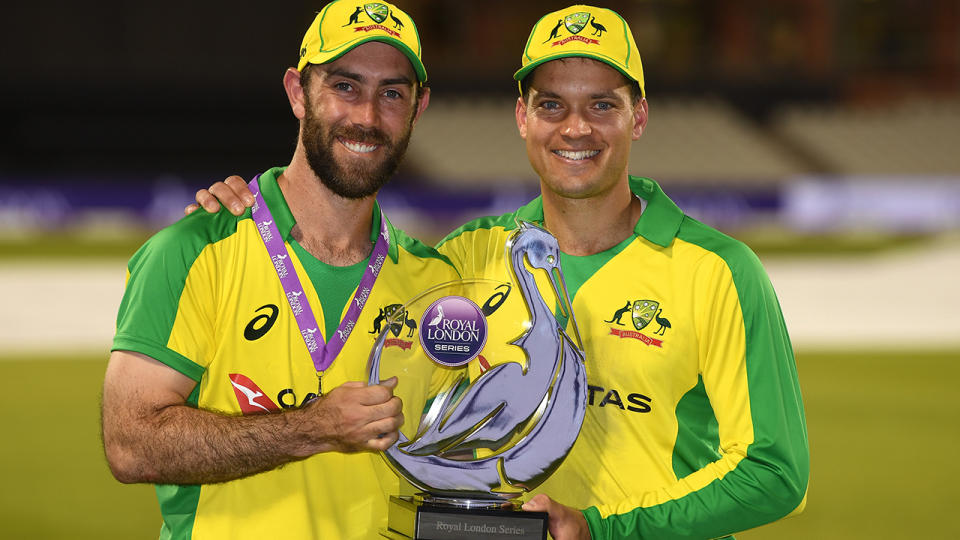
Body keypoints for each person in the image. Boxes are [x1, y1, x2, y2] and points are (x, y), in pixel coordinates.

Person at [190, 5, 810, 539]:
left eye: (602, 104)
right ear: (522, 117)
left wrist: (602, 529)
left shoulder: (721, 272)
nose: (576, 128)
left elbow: (775, 473)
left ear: (638, 117)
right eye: (551, 104)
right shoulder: (468, 257)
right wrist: (252, 207)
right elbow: (350, 264)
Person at [101, 1, 460, 538]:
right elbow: (130, 445)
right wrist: (313, 430)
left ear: (418, 106)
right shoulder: (193, 249)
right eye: (345, 86)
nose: (366, 116)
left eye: (391, 93)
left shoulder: (438, 286)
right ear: (298, 93)